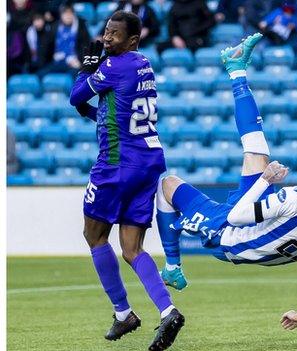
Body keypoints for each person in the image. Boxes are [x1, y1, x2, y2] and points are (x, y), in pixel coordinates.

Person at [155, 33, 297, 330]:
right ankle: (236, 69)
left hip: (228, 234)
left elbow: (236, 216)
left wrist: (265, 180)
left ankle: (172, 266)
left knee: (167, 185)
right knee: (256, 149)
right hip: (252, 228)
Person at [68, 11, 184, 351]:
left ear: (132, 40)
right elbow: (112, 110)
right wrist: (93, 110)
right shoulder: (143, 63)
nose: (106, 39)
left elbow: (76, 96)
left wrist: (87, 66)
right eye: (106, 31)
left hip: (118, 164)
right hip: (147, 160)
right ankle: (168, 310)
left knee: (94, 234)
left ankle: (123, 312)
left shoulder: (114, 66)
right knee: (132, 249)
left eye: (114, 35)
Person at [38, 5, 91, 77]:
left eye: (70, 13)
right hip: (57, 61)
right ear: (61, 15)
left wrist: (80, 61)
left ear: (73, 14)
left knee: (74, 77)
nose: (68, 16)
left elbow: (86, 46)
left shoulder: (81, 28)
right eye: (65, 14)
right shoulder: (54, 27)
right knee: (40, 74)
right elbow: (46, 47)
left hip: (74, 62)